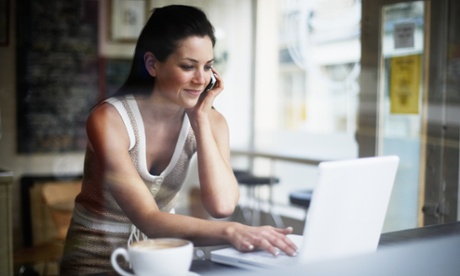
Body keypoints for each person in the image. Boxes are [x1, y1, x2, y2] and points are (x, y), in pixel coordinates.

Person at [60, 5, 297, 274]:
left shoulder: (211, 121)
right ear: (152, 64)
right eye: (188, 66)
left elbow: (222, 205)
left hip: (163, 258)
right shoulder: (109, 120)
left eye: (208, 66)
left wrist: (200, 121)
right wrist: (233, 231)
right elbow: (148, 219)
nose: (201, 79)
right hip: (97, 260)